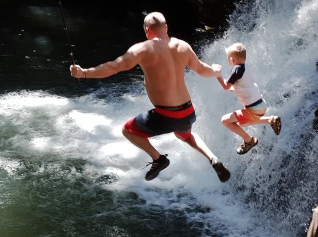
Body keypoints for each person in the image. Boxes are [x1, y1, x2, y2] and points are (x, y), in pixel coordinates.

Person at [69, 12, 231, 182]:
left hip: (166, 115)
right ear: (166, 28)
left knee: (128, 130)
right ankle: (213, 158)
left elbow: (113, 67)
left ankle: (159, 159)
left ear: (147, 30)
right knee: (185, 135)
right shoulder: (182, 46)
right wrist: (217, 71)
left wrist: (84, 73)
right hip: (187, 112)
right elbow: (203, 70)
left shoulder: (142, 49)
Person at [216, 43, 281, 154]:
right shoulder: (246, 69)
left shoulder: (235, 70)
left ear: (232, 59)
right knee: (241, 123)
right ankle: (271, 120)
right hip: (260, 105)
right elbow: (243, 88)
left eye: (228, 60)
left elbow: (226, 87)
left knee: (225, 121)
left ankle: (249, 140)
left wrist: (218, 75)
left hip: (253, 109)